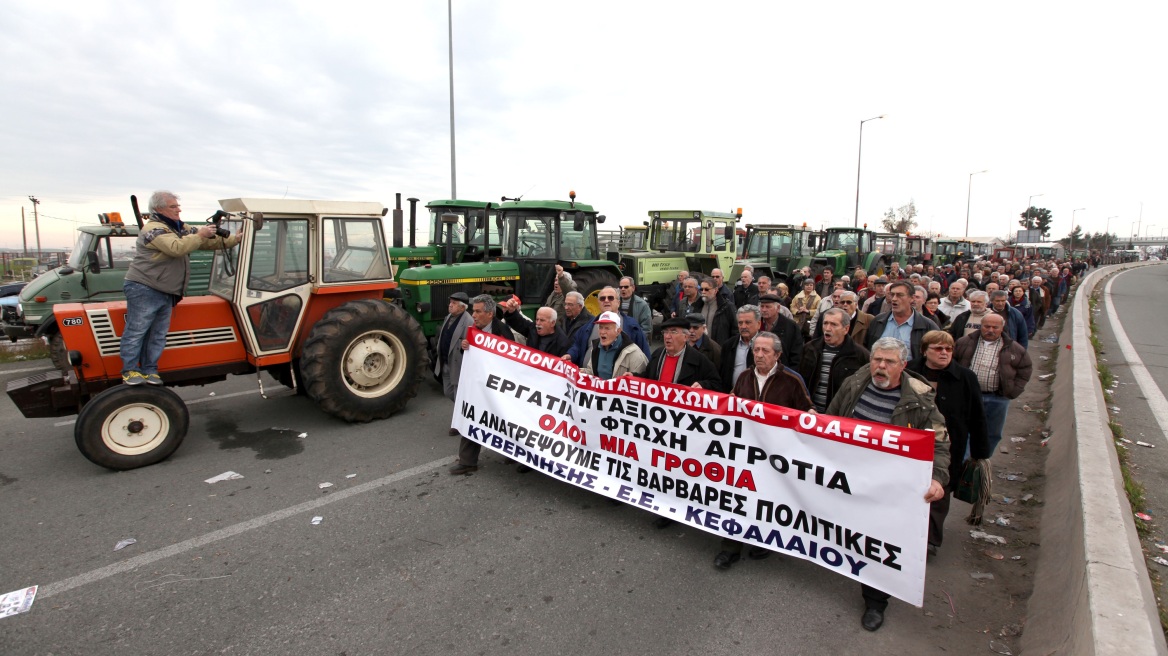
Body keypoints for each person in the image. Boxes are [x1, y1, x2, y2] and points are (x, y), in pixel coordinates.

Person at [826, 337, 951, 632]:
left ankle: (875, 601)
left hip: (887, 486)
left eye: (889, 362)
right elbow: (832, 419)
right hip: (847, 475)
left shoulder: (920, 400)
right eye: (876, 360)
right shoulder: (855, 383)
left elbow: (940, 445)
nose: (880, 367)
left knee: (876, 543)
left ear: (903, 365)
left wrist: (937, 478)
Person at [713, 331, 813, 570]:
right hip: (744, 452)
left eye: (764, 351)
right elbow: (734, 403)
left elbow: (806, 412)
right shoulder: (744, 377)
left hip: (776, 456)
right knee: (736, 499)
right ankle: (731, 547)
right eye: (755, 350)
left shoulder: (792, 380)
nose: (758, 355)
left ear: (777, 354)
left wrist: (811, 417)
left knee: (767, 501)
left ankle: (762, 540)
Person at [120, 191, 243, 385]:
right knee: (137, 330)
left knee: (158, 334)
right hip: (145, 287)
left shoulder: (179, 227)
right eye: (173, 206)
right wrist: (201, 234)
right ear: (159, 209)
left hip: (165, 290)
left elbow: (204, 242)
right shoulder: (153, 229)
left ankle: (150, 370)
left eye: (178, 206)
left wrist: (234, 240)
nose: (178, 209)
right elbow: (177, 248)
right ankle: (130, 370)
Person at [906, 330, 990, 555]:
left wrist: (981, 452)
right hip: (913, 440)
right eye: (938, 348)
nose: (944, 353)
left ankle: (931, 539)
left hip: (950, 444)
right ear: (925, 351)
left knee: (940, 488)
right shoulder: (909, 372)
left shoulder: (965, 378)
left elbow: (977, 416)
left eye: (949, 349)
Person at [449, 295, 517, 475]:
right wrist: (466, 348)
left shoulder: (502, 331)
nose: (474, 315)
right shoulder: (473, 330)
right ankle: (467, 461)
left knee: (503, 421)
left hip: (497, 388)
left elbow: (511, 360)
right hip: (477, 387)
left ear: (490, 314)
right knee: (473, 418)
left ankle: (514, 453)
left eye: (478, 311)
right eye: (474, 311)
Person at [954, 313, 1033, 454]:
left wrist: (1014, 390)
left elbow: (1025, 369)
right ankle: (963, 463)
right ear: (981, 326)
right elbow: (953, 363)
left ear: (1002, 328)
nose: (990, 330)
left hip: (997, 398)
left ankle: (982, 461)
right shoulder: (964, 342)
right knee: (964, 430)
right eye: (987, 326)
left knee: (992, 432)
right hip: (968, 396)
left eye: (995, 327)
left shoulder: (1014, 348)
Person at [798, 308, 870, 412]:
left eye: (833, 324)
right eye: (825, 323)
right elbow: (800, 382)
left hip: (838, 417)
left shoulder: (860, 355)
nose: (827, 328)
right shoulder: (810, 348)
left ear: (846, 329)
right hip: (810, 413)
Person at [565, 287, 649, 364]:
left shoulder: (632, 326)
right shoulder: (587, 326)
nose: (606, 300)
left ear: (618, 303)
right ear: (598, 303)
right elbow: (577, 346)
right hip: (589, 377)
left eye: (610, 298)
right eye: (602, 298)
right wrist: (570, 355)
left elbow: (644, 354)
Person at [866, 281, 938, 360]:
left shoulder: (927, 326)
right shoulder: (877, 321)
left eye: (900, 295)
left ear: (912, 298)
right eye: (892, 294)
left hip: (911, 371)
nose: (894, 299)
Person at [643, 317, 720, 389]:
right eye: (665, 332)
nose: (667, 336)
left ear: (686, 337)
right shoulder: (657, 354)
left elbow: (717, 384)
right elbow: (647, 377)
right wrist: (633, 376)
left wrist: (703, 385)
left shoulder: (699, 359)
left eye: (673, 332)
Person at [434, 292, 474, 418]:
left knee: (458, 394)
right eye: (450, 302)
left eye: (454, 303)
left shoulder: (469, 321)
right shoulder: (448, 317)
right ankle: (464, 413)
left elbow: (470, 345)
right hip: (445, 362)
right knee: (448, 391)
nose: (450, 305)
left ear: (463, 307)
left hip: (458, 364)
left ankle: (459, 422)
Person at [580, 311, 648, 380]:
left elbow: (643, 382)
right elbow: (592, 372)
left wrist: (633, 378)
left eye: (607, 328)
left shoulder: (634, 353)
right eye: (600, 327)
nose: (602, 332)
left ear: (618, 331)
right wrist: (583, 372)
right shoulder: (596, 348)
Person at [501, 301, 571, 358]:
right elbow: (520, 323)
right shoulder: (533, 328)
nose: (538, 323)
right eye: (537, 319)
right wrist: (512, 312)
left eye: (542, 320)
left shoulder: (562, 342)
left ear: (552, 323)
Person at [694, 277, 738, 345]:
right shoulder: (697, 306)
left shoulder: (726, 307)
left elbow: (735, 330)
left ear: (715, 290)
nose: (703, 292)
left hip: (720, 348)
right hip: (700, 348)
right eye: (701, 289)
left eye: (706, 289)